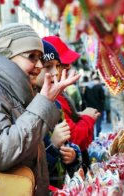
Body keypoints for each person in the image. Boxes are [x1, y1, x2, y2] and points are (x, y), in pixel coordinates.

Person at [0, 23, 80, 195]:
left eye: (40, 57)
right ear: (8, 56)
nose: (39, 64)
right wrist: (44, 103)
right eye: (32, 56)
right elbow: (0, 152)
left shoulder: (16, 91)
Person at [43, 35, 100, 173]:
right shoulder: (54, 99)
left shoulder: (59, 96)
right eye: (52, 66)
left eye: (58, 66)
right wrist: (87, 118)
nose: (68, 66)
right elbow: (74, 138)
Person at [37, 40, 82, 188]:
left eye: (57, 66)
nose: (56, 72)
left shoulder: (56, 104)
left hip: (59, 186)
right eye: (48, 67)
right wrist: (53, 147)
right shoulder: (27, 108)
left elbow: (66, 143)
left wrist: (72, 155)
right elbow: (31, 168)